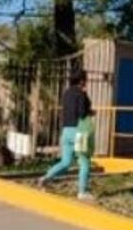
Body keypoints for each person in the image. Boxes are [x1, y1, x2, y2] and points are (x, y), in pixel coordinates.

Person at [38, 68, 94, 200]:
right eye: (86, 79)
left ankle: (45, 178)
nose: (87, 82)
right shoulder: (80, 93)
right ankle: (82, 192)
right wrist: (89, 109)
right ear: (81, 81)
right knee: (85, 161)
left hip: (66, 131)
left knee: (65, 162)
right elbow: (81, 113)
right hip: (78, 131)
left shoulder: (66, 93)